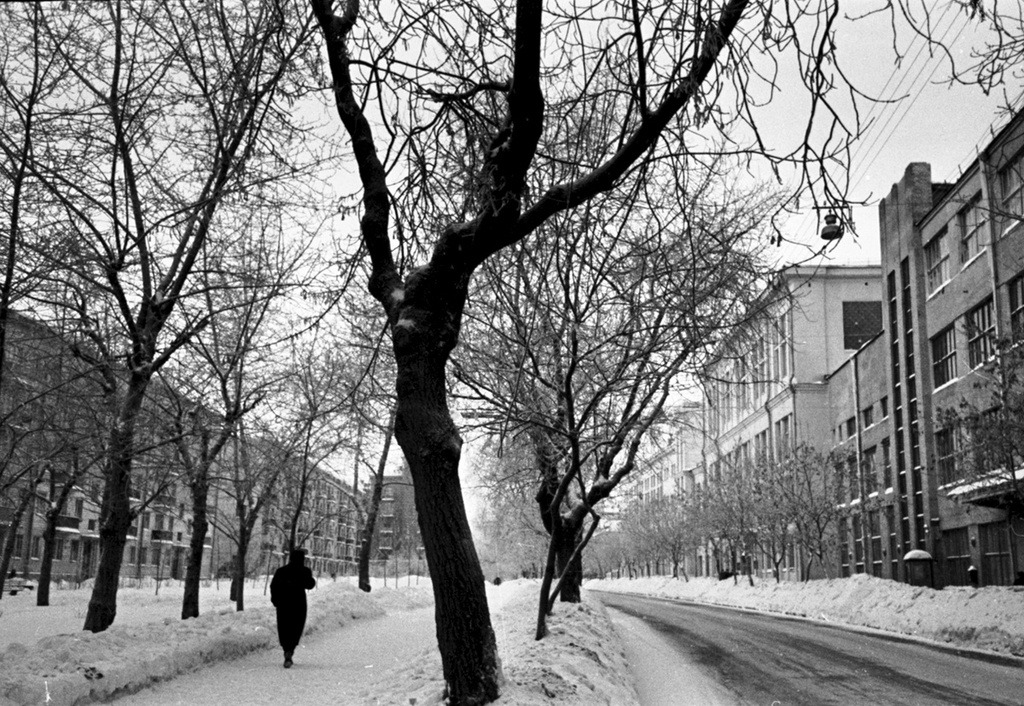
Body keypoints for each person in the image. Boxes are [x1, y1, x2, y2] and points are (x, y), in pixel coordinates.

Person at [270, 548, 316, 668]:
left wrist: (275, 600)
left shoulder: (281, 571)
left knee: (284, 627)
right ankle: (290, 650)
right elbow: (310, 585)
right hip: (298, 603)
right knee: (297, 627)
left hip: (283, 603)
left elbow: (274, 586)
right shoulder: (305, 571)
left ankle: (286, 649)